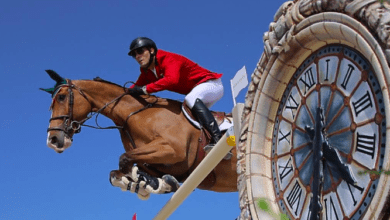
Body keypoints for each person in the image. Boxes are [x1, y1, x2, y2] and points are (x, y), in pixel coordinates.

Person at [126, 37, 224, 148]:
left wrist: (145, 89)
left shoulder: (168, 58)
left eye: (140, 51)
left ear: (151, 50)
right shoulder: (147, 71)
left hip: (212, 84)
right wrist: (122, 94)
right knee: (184, 115)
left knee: (190, 99)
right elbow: (135, 87)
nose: (137, 56)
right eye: (134, 55)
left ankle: (218, 138)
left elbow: (171, 80)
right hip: (198, 92)